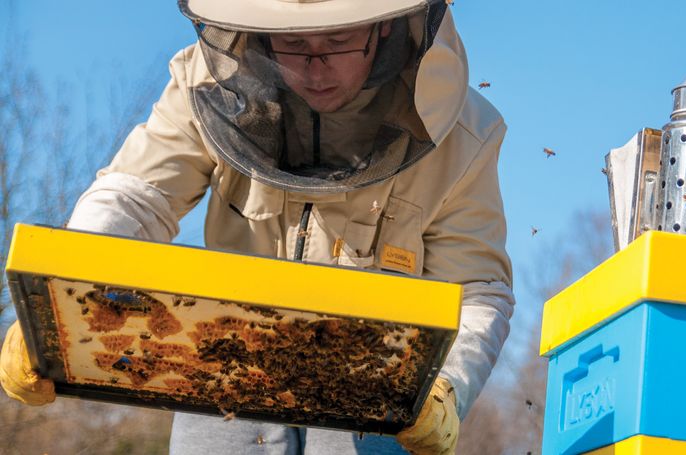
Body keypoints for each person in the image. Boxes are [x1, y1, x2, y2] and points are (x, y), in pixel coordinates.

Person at [0, 1, 514, 453]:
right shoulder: (206, 85)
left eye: (338, 40)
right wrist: (60, 297)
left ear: (386, 26)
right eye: (294, 43)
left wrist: (448, 387)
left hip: (371, 388)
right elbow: (137, 195)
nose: (315, 67)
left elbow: (476, 289)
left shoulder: (463, 134)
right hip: (224, 363)